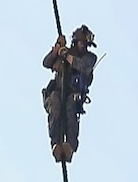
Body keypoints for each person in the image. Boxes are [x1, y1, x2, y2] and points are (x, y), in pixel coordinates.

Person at [42, 25, 98, 163]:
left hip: (73, 94)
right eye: (82, 43)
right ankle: (55, 143)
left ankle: (69, 147)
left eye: (86, 44)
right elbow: (46, 63)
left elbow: (84, 67)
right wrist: (57, 50)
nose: (84, 46)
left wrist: (67, 56)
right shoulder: (64, 53)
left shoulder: (89, 57)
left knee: (70, 109)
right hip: (58, 91)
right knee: (55, 106)